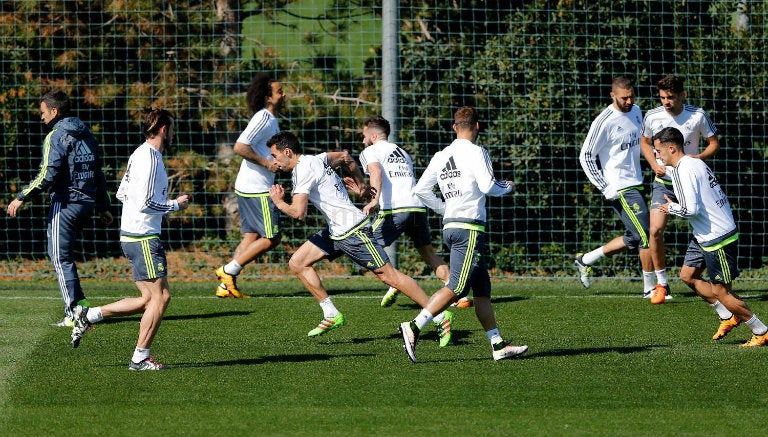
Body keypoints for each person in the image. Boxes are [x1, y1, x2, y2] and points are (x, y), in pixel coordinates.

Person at [266, 131, 454, 345]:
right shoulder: (317, 158)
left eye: (274, 155)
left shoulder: (302, 170)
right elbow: (346, 157)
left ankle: (439, 314)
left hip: (352, 230)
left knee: (388, 276)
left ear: (287, 152)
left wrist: (279, 202)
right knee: (298, 262)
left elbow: (299, 212)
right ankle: (331, 314)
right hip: (336, 230)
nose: (274, 161)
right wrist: (362, 186)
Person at [398, 106, 528, 363]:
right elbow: (488, 186)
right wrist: (508, 187)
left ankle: (497, 344)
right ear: (477, 126)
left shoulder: (441, 155)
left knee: (482, 289)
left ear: (454, 127)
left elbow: (422, 190)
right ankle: (413, 327)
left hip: (452, 225)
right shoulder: (478, 152)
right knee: (457, 286)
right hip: (468, 228)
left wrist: (445, 208)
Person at [70, 108, 192, 369]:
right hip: (143, 237)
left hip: (134, 234)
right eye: (171, 128)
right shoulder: (150, 158)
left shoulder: (140, 154)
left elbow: (122, 193)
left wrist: (151, 213)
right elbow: (146, 201)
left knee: (149, 300)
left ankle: (90, 314)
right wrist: (173, 206)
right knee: (161, 298)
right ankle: (140, 358)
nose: (173, 133)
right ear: (162, 129)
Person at [6, 90, 113, 328]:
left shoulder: (56, 136)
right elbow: (97, 172)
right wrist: (104, 206)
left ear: (54, 111)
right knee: (65, 257)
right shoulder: (86, 133)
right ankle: (81, 304)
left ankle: (75, 312)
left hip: (65, 203)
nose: (41, 117)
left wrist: (22, 196)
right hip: (86, 203)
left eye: (43, 112)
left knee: (60, 257)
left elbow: (48, 174)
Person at [654, 126, 767, 346]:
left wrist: (671, 209)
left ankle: (761, 330)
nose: (656, 155)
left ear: (671, 148)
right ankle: (728, 315)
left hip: (718, 237)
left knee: (722, 292)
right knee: (688, 275)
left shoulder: (687, 169)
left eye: (658, 151)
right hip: (703, 234)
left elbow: (691, 209)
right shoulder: (688, 164)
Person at [354, 115, 463, 309]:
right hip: (417, 207)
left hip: (395, 209)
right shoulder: (403, 152)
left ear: (372, 136)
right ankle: (458, 295)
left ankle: (395, 282)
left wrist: (374, 200)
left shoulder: (370, 151)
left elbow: (376, 172)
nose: (363, 141)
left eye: (364, 136)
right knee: (428, 252)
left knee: (363, 248)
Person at [575, 76, 659, 296]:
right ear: (613, 95)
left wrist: (656, 160)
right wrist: (604, 186)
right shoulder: (604, 121)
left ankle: (586, 259)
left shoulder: (637, 111)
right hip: (619, 188)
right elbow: (586, 157)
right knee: (646, 235)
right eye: (624, 98)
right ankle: (651, 288)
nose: (629, 101)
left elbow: (641, 144)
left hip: (637, 182)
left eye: (631, 96)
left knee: (633, 236)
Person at [640, 74, 720, 304]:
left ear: (682, 95)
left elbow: (714, 142)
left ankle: (714, 278)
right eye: (662, 97)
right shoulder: (652, 116)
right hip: (663, 184)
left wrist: (698, 157)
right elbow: (645, 142)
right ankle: (662, 283)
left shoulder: (698, 115)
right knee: (654, 231)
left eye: (671, 97)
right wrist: (654, 164)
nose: (666, 102)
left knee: (708, 227)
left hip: (691, 184)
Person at [214, 74, 285, 298]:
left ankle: (226, 286)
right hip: (257, 188)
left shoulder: (270, 119)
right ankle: (227, 270)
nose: (284, 94)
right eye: (279, 91)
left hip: (248, 185)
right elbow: (240, 146)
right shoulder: (263, 117)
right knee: (272, 237)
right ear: (268, 98)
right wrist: (267, 163)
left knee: (251, 237)